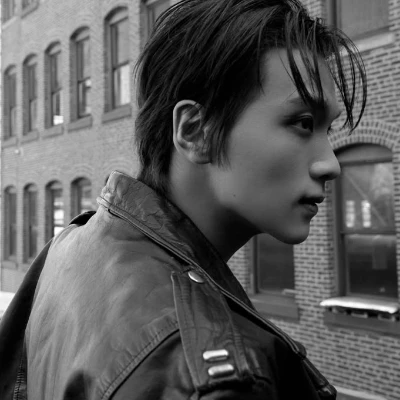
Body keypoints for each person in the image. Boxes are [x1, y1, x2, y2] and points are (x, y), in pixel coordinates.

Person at [0, 0, 367, 398]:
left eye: (327, 130)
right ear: (195, 132)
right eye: (303, 123)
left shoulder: (71, 248)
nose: (331, 164)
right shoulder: (208, 379)